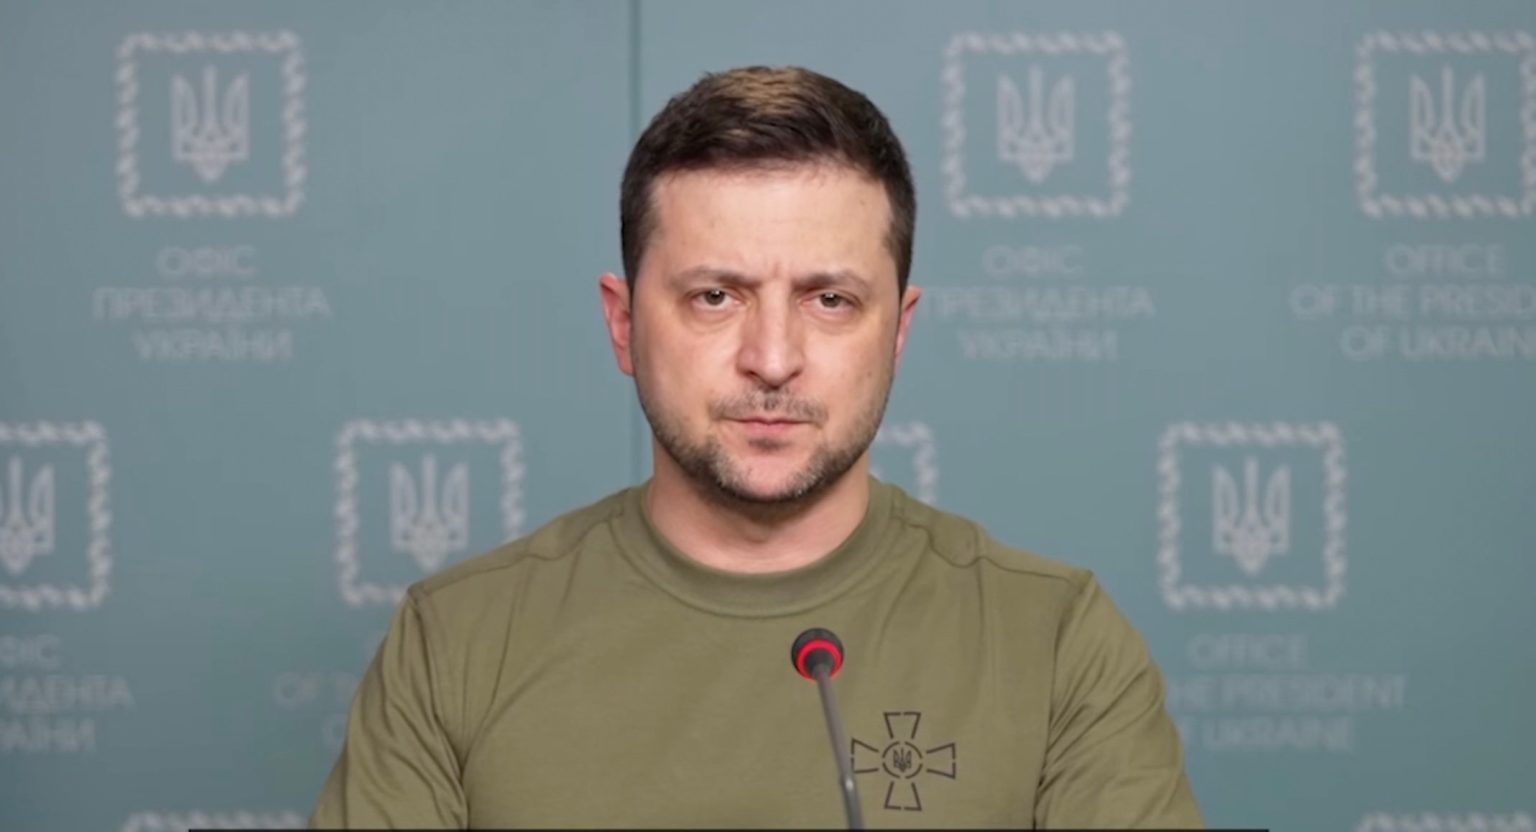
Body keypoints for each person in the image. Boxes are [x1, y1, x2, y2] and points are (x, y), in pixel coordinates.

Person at [310, 66, 1202, 829]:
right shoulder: (457, 641)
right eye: (715, 297)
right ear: (623, 325)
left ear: (898, 332)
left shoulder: (1054, 641)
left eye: (829, 301)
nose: (772, 359)